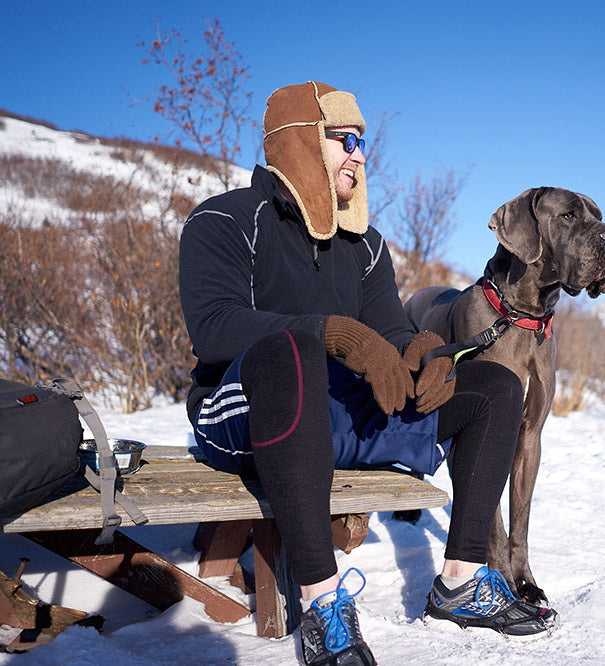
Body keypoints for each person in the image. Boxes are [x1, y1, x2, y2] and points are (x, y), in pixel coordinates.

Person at [178, 81, 557, 665]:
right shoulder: (226, 219)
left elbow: (394, 334)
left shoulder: (367, 246)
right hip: (244, 411)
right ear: (302, 141)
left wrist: (428, 352)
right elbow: (214, 326)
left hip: (335, 415)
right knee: (291, 351)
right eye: (345, 140)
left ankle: (460, 579)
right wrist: (334, 333)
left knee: (496, 387)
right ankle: (323, 606)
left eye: (363, 142)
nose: (360, 154)